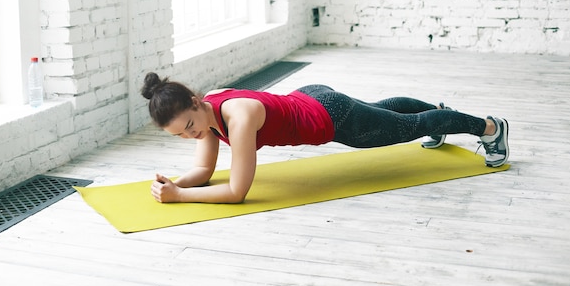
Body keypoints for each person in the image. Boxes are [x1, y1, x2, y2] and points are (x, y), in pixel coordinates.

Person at [141, 73, 509, 204]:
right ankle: (437, 114)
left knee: (403, 128)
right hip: (313, 95)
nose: (192, 135)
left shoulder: (237, 120)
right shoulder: (208, 112)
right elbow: (204, 169)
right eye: (181, 135)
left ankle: (490, 128)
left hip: (333, 118)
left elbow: (237, 192)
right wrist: (173, 184)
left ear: (194, 102)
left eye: (189, 125)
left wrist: (182, 197)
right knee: (385, 111)